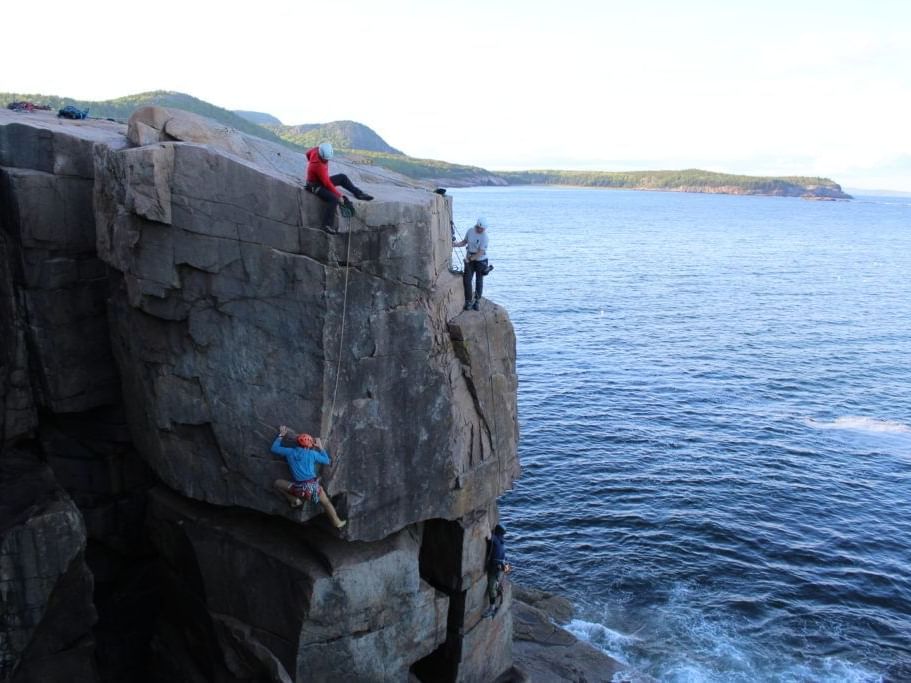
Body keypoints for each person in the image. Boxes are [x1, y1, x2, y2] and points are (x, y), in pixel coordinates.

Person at [270, 425, 347, 529]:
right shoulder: (312, 454)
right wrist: (320, 447)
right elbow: (327, 461)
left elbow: (274, 448)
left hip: (299, 490)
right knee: (326, 503)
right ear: (310, 445)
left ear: (297, 443)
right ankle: (337, 522)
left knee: (277, 483)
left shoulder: (290, 452)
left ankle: (295, 501)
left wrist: (281, 435)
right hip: (314, 489)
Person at [305, 142, 373, 233]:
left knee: (342, 177)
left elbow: (307, 154)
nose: (327, 161)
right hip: (314, 185)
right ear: (321, 155)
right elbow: (327, 184)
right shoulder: (318, 166)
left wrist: (311, 165)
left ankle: (359, 194)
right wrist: (339, 196)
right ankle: (327, 225)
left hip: (320, 180)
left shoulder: (316, 150)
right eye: (325, 159)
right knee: (333, 199)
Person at [452, 217, 490, 311]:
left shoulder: (485, 237)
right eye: (481, 228)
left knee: (479, 280)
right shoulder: (470, 231)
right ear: (477, 226)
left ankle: (477, 301)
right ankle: (468, 301)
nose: (482, 230)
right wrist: (456, 244)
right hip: (470, 257)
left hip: (481, 260)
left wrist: (470, 259)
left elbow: (481, 252)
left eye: (483, 229)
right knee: (467, 279)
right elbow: (465, 242)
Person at [483, 523, 509, 618]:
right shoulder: (502, 542)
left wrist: (485, 523)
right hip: (501, 566)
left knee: (491, 587)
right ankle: (499, 590)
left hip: (495, 568)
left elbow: (488, 536)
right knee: (496, 581)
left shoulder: (496, 540)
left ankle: (492, 608)